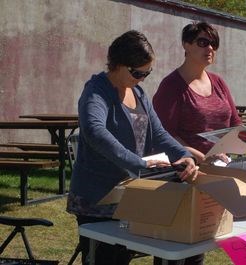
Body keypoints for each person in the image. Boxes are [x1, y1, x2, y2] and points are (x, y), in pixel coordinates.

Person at [66, 30, 198, 265]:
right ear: (118, 64)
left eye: (147, 73)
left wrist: (183, 154)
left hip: (129, 196)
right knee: (106, 259)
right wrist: (139, 164)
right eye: (138, 72)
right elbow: (95, 132)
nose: (142, 78)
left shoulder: (138, 92)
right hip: (97, 201)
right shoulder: (96, 91)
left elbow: (158, 133)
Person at [153, 21, 241, 163]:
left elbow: (235, 124)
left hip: (222, 164)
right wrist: (203, 158)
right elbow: (164, 134)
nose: (210, 48)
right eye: (203, 42)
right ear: (186, 44)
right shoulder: (171, 86)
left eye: (214, 44)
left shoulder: (219, 82)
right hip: (188, 168)